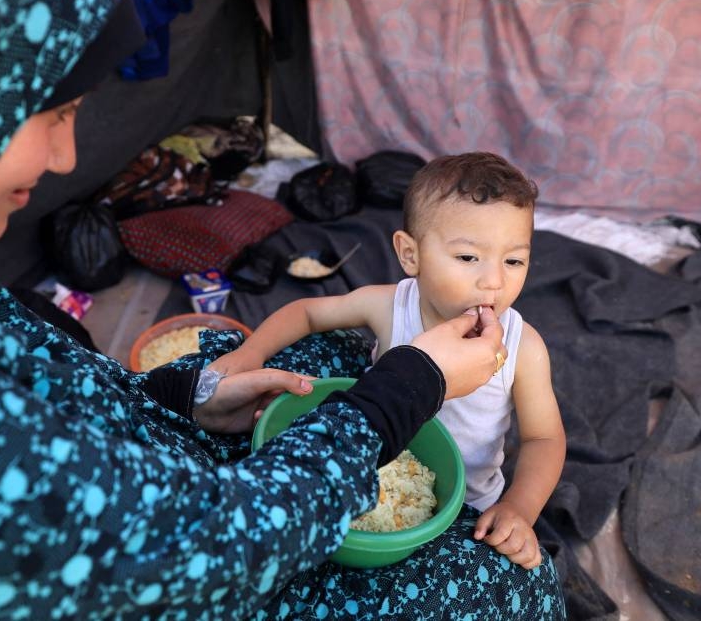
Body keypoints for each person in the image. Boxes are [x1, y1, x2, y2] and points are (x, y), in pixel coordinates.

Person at [0, 0, 564, 619]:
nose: (68, 161)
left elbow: (40, 395)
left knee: (239, 355)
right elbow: (214, 553)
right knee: (508, 589)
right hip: (211, 560)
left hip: (162, 505)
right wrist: (402, 392)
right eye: (53, 114)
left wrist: (179, 396)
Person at [212, 152, 567, 570]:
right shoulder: (390, 307)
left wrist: (519, 510)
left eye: (514, 260)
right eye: (468, 257)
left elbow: (545, 439)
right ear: (410, 254)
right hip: (370, 473)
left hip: (468, 510)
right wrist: (250, 352)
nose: (494, 281)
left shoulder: (523, 347)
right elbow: (307, 313)